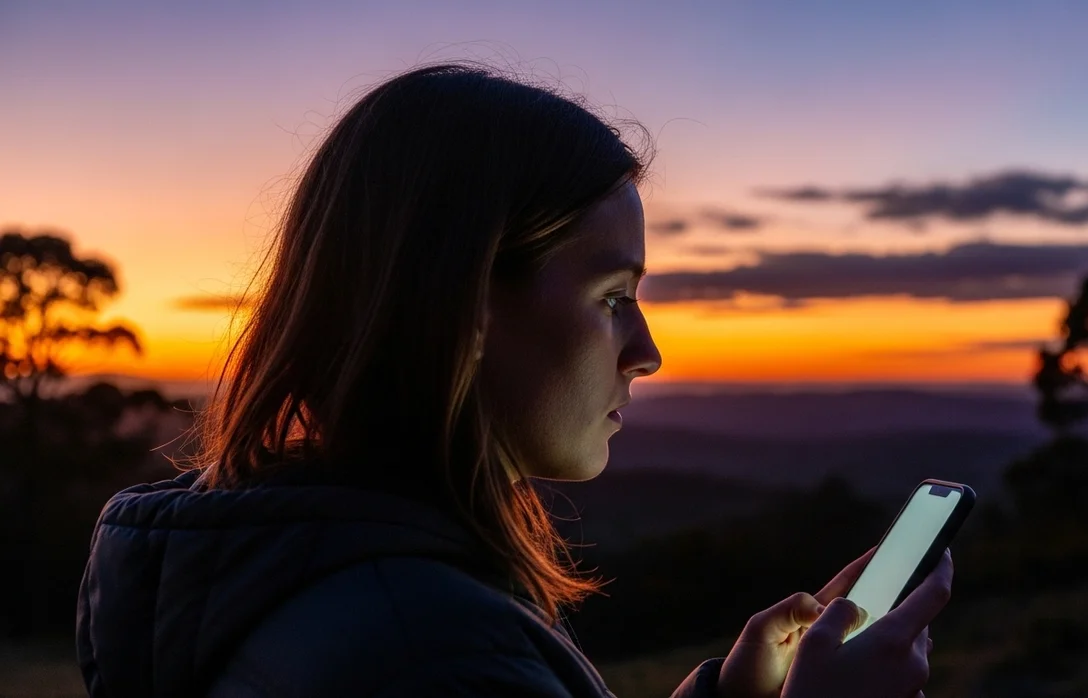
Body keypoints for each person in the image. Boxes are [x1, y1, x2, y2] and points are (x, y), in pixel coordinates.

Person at [75, 62, 953, 697]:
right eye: (613, 296)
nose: (646, 350)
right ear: (465, 304)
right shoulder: (434, 651)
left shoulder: (308, 572)